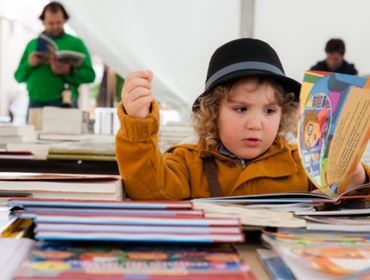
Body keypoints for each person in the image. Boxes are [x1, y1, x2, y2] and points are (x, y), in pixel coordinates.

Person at [116, 38, 369, 200]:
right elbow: (148, 190)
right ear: (213, 113)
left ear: (283, 114)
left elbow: (341, 209)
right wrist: (138, 124)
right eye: (241, 109)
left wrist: (355, 181)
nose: (255, 124)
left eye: (269, 111)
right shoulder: (187, 163)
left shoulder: (304, 164)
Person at [14, 1, 95, 109]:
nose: (55, 26)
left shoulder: (76, 43)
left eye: (59, 22)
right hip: (34, 104)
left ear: (65, 20)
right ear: (43, 21)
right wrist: (29, 64)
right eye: (51, 23)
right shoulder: (32, 44)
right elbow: (18, 77)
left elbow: (90, 76)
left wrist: (69, 70)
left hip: (64, 103)